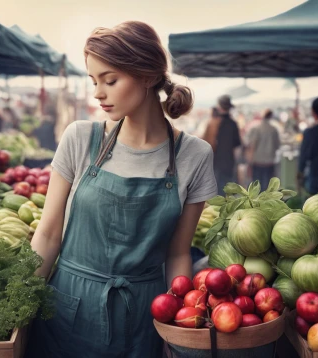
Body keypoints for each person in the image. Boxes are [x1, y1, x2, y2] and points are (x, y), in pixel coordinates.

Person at [25, 21, 217, 358]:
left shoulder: (194, 155)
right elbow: (48, 234)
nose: (98, 93)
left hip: (144, 314)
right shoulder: (81, 138)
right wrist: (21, 305)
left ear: (146, 76)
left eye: (110, 80)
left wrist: (180, 328)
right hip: (67, 307)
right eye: (94, 81)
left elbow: (177, 253)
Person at [203, 95, 241, 195]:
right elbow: (237, 145)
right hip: (229, 162)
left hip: (216, 162)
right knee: (229, 192)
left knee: (217, 193)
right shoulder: (233, 124)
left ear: (219, 107)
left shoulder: (213, 123)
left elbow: (206, 144)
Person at [246, 109, 280, 190]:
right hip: (270, 161)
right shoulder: (274, 129)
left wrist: (249, 162)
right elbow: (277, 145)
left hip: (257, 161)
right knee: (268, 186)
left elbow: (252, 146)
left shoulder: (257, 128)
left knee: (256, 187)